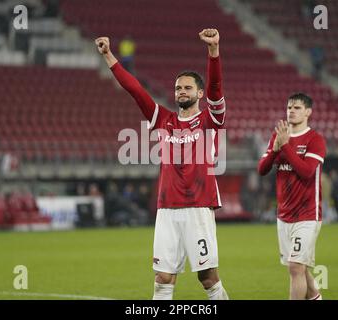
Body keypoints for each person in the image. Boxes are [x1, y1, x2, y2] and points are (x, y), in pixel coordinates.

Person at [95, 28, 229, 300]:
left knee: (207, 277)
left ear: (199, 93)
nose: (181, 91)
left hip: (198, 206)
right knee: (163, 277)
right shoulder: (163, 119)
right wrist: (109, 56)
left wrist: (213, 51)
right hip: (166, 208)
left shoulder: (210, 120)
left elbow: (216, 89)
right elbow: (135, 90)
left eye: (187, 87)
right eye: (178, 87)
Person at [257, 93, 326, 300]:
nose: (291, 111)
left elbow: (306, 171)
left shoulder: (315, 139)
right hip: (284, 215)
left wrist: (285, 146)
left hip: (307, 214)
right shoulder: (278, 136)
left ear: (308, 112)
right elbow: (261, 169)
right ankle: (315, 297)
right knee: (300, 268)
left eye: (296, 107)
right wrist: (275, 149)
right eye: (289, 107)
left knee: (295, 267)